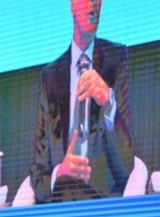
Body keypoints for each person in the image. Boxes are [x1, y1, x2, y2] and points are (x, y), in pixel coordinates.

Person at [29, 0, 135, 203]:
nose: (94, 3)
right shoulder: (49, 76)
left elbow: (128, 162)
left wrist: (108, 102)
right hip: (60, 202)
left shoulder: (117, 58)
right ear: (72, 4)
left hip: (102, 203)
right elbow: (37, 169)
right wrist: (60, 172)